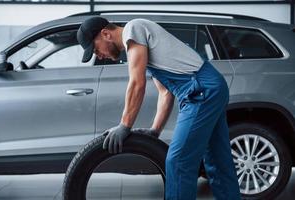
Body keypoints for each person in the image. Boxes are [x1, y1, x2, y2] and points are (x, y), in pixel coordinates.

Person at [77, 16, 241, 200]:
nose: (98, 55)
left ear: (106, 34)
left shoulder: (134, 29)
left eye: (95, 48)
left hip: (201, 91)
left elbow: (136, 83)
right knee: (218, 160)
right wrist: (155, 131)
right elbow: (165, 93)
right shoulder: (143, 46)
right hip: (210, 87)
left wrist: (124, 125)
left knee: (178, 161)